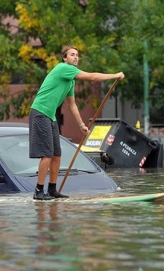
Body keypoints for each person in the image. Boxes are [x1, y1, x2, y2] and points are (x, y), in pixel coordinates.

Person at [29, 45, 125, 200]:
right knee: (46, 154)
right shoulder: (64, 68)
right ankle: (39, 191)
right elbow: (92, 77)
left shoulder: (70, 81)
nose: (75, 57)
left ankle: (52, 190)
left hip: (51, 116)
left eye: (77, 55)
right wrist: (114, 75)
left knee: (56, 155)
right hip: (40, 113)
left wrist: (81, 125)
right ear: (65, 58)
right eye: (72, 54)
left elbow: (72, 104)